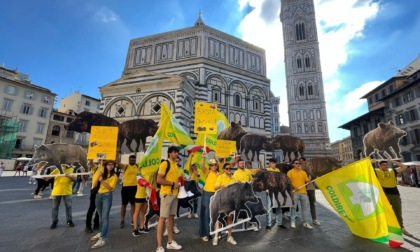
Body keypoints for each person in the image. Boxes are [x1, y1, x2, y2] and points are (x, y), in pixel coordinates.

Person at [373, 159, 412, 236]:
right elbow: (367, 169)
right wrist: (371, 162)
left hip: (395, 194)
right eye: (383, 165)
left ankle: (402, 228)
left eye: (386, 165)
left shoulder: (392, 171)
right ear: (379, 166)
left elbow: (404, 167)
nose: (385, 166)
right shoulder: (377, 172)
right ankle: (386, 229)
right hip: (384, 195)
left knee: (398, 212)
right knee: (385, 213)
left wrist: (393, 162)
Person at [156, 146, 182, 252]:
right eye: (175, 152)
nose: (176, 154)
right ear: (169, 153)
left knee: (171, 217)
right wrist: (173, 184)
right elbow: (159, 179)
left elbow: (179, 178)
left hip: (175, 194)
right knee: (162, 219)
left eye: (177, 152)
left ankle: (170, 242)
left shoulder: (175, 165)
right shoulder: (164, 164)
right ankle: (159, 246)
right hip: (167, 194)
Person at [90, 160, 118, 249]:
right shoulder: (102, 174)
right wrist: (98, 178)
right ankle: (101, 232)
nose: (110, 166)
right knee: (100, 217)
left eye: (112, 165)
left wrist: (102, 181)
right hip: (98, 195)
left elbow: (111, 188)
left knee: (105, 217)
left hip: (107, 196)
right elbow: (94, 185)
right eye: (109, 165)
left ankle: (103, 238)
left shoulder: (114, 176)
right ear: (105, 166)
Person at [212, 163, 237, 246]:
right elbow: (215, 187)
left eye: (230, 168)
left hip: (231, 201)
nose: (228, 170)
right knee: (219, 219)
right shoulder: (220, 177)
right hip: (222, 201)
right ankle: (216, 237)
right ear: (223, 169)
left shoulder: (233, 178)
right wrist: (220, 186)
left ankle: (229, 236)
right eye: (226, 168)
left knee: (230, 218)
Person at [47, 164, 77, 229]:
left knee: (68, 207)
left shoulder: (73, 170)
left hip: (67, 192)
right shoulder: (58, 169)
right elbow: (48, 177)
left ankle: (69, 221)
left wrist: (68, 176)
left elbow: (74, 179)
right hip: (56, 191)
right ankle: (54, 221)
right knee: (55, 207)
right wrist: (44, 175)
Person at [287, 159, 313, 229]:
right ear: (293, 164)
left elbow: (306, 180)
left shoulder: (303, 172)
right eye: (296, 163)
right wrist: (294, 186)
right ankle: (293, 222)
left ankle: (305, 222)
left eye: (299, 163)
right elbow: (288, 182)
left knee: (304, 209)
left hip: (303, 193)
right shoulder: (290, 172)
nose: (298, 165)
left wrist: (309, 181)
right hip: (294, 193)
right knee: (293, 208)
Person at [199, 157, 219, 242]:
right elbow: (203, 166)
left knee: (215, 215)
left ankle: (215, 233)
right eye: (211, 165)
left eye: (215, 165)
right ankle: (204, 233)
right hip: (207, 194)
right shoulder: (207, 172)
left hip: (216, 194)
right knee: (205, 214)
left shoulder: (219, 174)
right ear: (209, 166)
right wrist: (203, 157)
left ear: (217, 166)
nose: (213, 166)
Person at [265, 158, 287, 230]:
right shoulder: (266, 170)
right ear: (269, 163)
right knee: (269, 208)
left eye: (275, 163)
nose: (274, 164)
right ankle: (268, 224)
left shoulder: (277, 170)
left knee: (279, 207)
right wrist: (266, 189)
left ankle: (279, 223)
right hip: (270, 191)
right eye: (272, 163)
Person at [117, 154, 138, 229]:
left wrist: (146, 151)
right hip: (125, 188)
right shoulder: (125, 166)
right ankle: (122, 220)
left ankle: (133, 220)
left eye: (134, 160)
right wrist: (117, 153)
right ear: (129, 160)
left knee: (133, 205)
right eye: (131, 160)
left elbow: (145, 161)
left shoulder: (137, 166)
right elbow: (117, 162)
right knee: (124, 205)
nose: (133, 161)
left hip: (134, 188)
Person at [300, 157, 320, 226]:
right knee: (303, 204)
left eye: (302, 162)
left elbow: (316, 176)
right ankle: (304, 220)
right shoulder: (299, 170)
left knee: (312, 203)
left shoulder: (312, 169)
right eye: (300, 162)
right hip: (302, 189)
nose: (301, 163)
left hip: (311, 188)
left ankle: (314, 219)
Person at [132, 163, 150, 237]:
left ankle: (142, 227)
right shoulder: (138, 173)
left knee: (143, 212)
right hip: (139, 195)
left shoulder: (149, 173)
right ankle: (135, 228)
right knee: (137, 212)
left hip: (146, 195)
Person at [85, 160, 100, 233]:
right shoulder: (96, 168)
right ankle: (88, 226)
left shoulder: (108, 169)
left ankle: (96, 224)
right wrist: (91, 156)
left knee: (99, 209)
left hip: (103, 192)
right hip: (94, 191)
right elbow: (91, 163)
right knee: (92, 208)